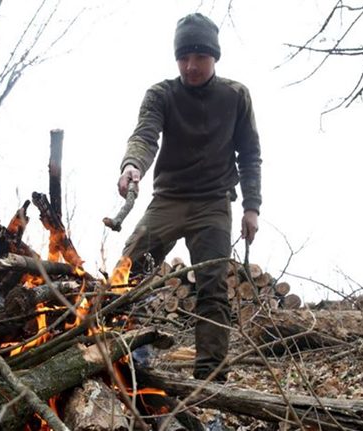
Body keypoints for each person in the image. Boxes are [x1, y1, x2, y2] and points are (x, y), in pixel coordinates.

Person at [116, 12, 262, 382]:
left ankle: (210, 380)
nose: (191, 66)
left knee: (212, 288)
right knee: (126, 273)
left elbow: (250, 154)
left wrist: (251, 207)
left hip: (213, 203)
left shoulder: (235, 96)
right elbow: (145, 136)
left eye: (199, 57)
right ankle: (111, 355)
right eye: (184, 57)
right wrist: (133, 165)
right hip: (168, 199)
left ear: (215, 56)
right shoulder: (162, 94)